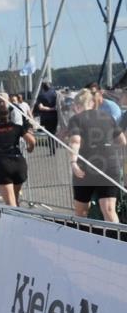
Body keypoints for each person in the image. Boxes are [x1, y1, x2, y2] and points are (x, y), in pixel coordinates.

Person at [66, 88, 126, 222]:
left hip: (86, 167)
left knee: (81, 210)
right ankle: (116, 241)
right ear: (92, 103)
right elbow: (122, 141)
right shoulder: (107, 117)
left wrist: (73, 163)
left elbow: (75, 142)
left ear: (76, 106)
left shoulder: (76, 119)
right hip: (110, 165)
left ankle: (84, 237)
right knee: (109, 209)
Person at [0, 102, 36, 208]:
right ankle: (21, 221)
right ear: (8, 114)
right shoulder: (17, 127)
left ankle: (17, 223)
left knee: (10, 204)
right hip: (19, 163)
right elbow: (32, 141)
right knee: (15, 199)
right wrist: (30, 149)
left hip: (2, 165)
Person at [33, 82, 59, 155]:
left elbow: (41, 107)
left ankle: (52, 149)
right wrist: (54, 109)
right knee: (54, 132)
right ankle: (54, 146)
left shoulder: (40, 95)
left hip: (46, 117)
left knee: (49, 134)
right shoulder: (55, 93)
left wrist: (50, 109)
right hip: (55, 116)